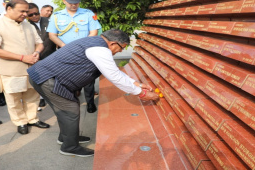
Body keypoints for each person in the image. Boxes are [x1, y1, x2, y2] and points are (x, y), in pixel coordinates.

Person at [28, 29, 159, 157]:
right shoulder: (100, 50)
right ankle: (70, 147)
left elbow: (115, 72)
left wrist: (138, 84)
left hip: (44, 76)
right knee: (70, 110)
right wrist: (141, 93)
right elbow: (115, 76)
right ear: (113, 43)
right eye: (121, 47)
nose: (121, 51)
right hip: (47, 79)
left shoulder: (95, 42)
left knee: (64, 110)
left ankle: (67, 138)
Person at [0, 0, 50, 135]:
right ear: (9, 9)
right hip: (11, 70)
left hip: (31, 68)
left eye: (27, 11)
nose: (25, 14)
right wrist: (22, 57)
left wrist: (37, 52)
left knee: (33, 95)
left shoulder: (28, 25)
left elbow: (39, 43)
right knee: (13, 98)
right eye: (22, 11)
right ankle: (20, 122)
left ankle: (32, 118)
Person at [47, 0, 101, 114]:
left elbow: (94, 32)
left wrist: (81, 47)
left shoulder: (88, 14)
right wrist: (65, 47)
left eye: (76, 3)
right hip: (65, 52)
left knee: (89, 78)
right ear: (64, 1)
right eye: (70, 3)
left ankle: (90, 103)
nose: (73, 5)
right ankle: (71, 104)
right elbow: (52, 35)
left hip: (85, 51)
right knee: (67, 78)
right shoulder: (56, 15)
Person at [27, 3, 55, 111]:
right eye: (31, 15)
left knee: (52, 78)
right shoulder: (26, 25)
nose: (34, 16)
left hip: (50, 54)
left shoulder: (49, 21)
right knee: (39, 80)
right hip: (35, 57)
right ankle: (41, 98)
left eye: (36, 13)